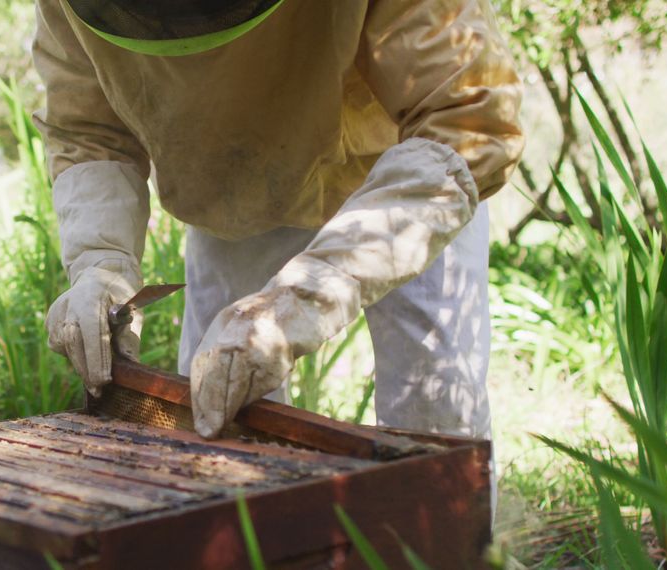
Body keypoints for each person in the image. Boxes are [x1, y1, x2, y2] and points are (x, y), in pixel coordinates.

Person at [35, 0, 524, 442]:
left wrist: (316, 290)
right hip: (231, 186)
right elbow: (89, 131)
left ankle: (443, 545)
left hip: (402, 178)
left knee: (434, 410)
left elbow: (466, 117)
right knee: (216, 411)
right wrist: (101, 261)